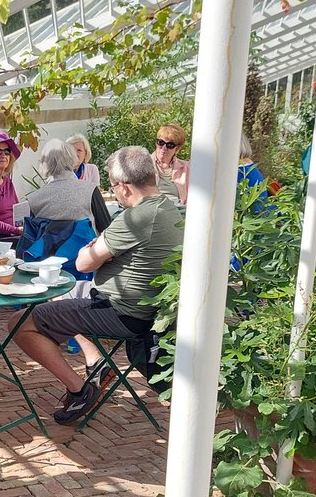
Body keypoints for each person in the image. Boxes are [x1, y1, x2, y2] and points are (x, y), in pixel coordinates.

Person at [14, 146, 183, 424]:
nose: (114, 192)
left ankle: (80, 390)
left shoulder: (135, 217)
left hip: (122, 313)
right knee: (61, 300)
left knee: (19, 324)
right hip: (147, 310)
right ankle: (95, 361)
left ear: (125, 188)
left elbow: (83, 263)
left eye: (114, 187)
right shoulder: (168, 207)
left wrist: (98, 247)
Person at [26, 138, 111, 233]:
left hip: (49, 248)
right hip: (85, 246)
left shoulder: (34, 200)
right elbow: (107, 229)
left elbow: (30, 238)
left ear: (43, 163)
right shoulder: (90, 190)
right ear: (72, 159)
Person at [151, 123, 189, 205]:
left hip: (177, 212)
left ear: (177, 148)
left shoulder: (186, 168)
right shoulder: (143, 164)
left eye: (170, 145)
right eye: (161, 142)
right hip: (151, 210)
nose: (164, 148)